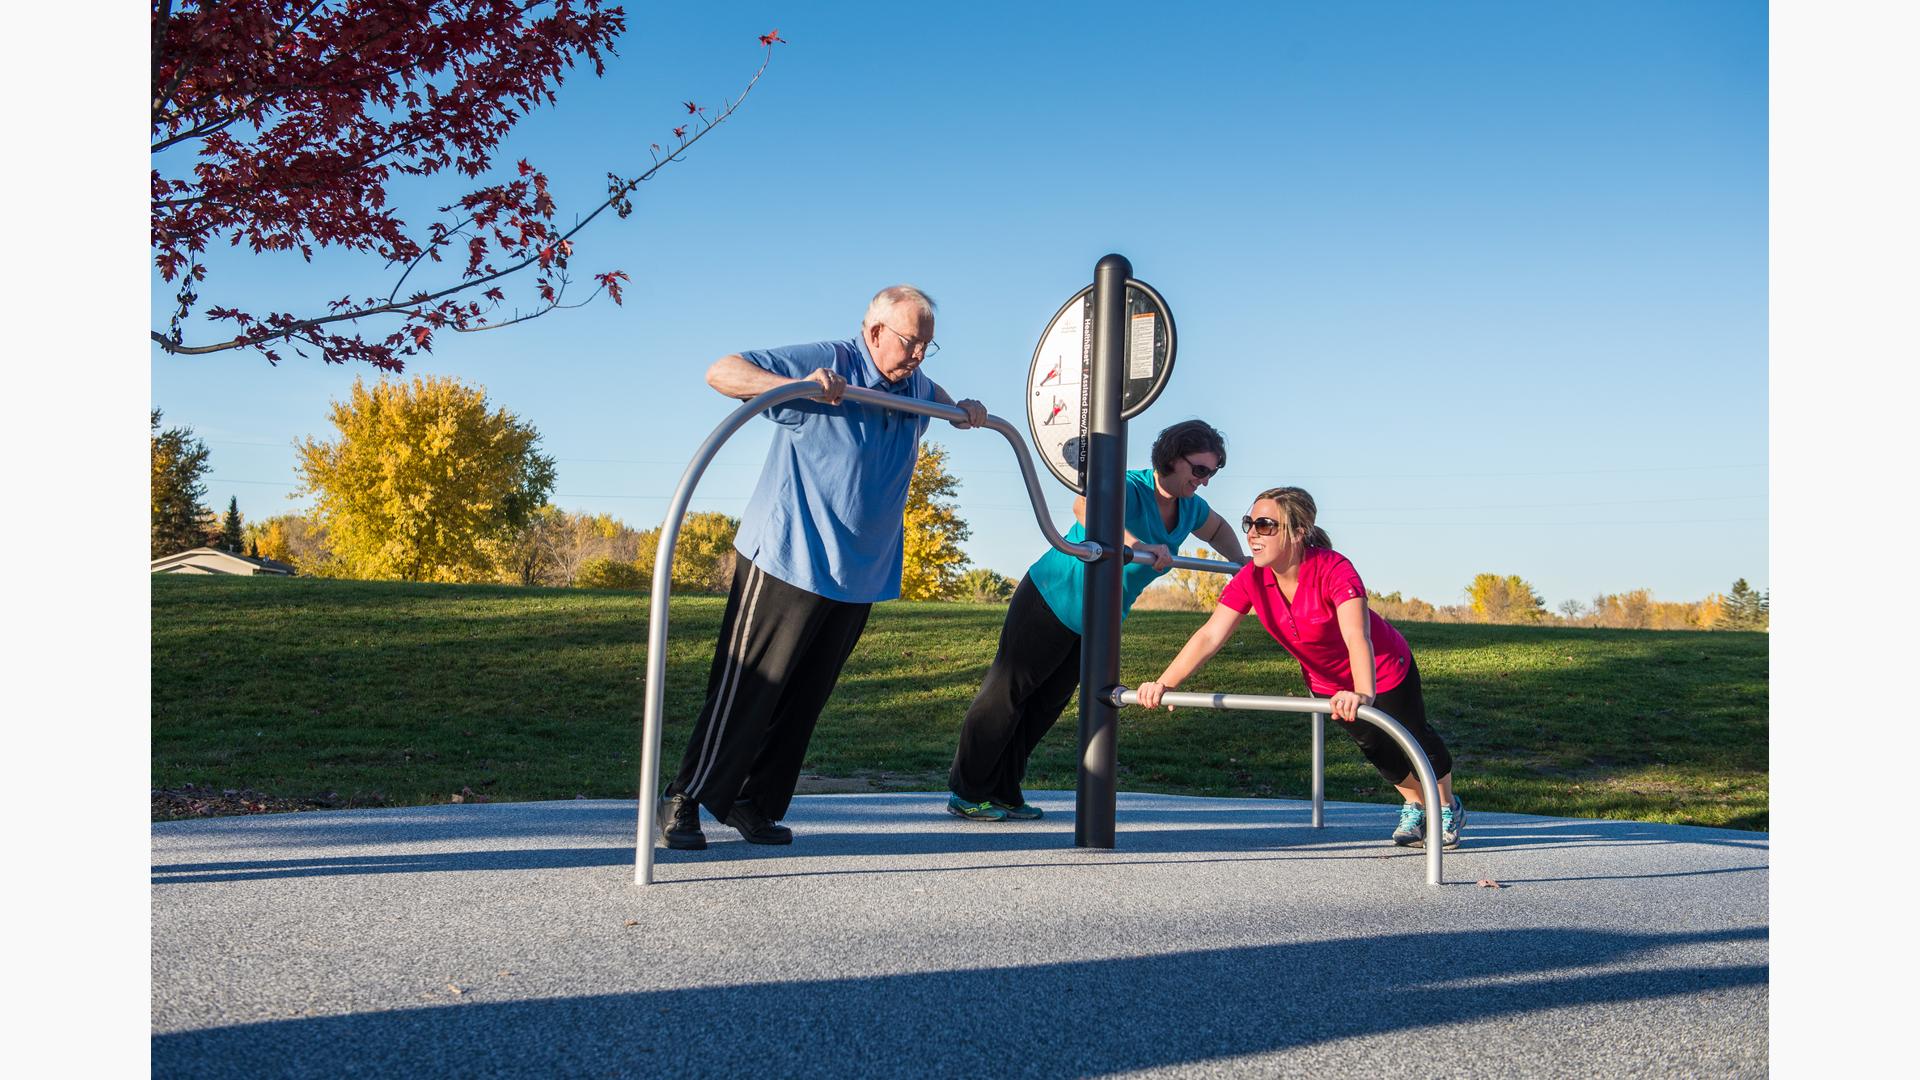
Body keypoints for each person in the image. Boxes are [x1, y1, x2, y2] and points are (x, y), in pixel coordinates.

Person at [659, 285, 988, 850]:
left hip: (860, 570)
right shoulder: (833, 361)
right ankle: (684, 797)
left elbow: (935, 393)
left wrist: (964, 411)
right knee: (748, 686)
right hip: (790, 552)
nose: (917, 356)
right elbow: (723, 371)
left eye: (927, 347)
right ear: (875, 330)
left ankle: (753, 802)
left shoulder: (913, 386)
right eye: (910, 342)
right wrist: (798, 387)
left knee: (803, 699)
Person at [946, 420, 1245, 821]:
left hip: (1098, 619)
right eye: (1200, 470)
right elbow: (1083, 506)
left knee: (1046, 706)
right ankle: (966, 790)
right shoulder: (1131, 485)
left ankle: (1002, 790)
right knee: (1009, 694)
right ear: (1173, 458)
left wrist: (1240, 563)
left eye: (1211, 472)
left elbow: (1220, 529)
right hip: (1052, 594)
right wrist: (1136, 545)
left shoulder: (1190, 508)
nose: (1204, 481)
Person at [1135, 486, 1465, 848]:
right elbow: (1210, 635)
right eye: (1249, 523)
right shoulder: (1251, 578)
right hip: (1326, 680)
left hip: (1380, 668)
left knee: (1413, 735)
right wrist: (1165, 682)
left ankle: (1446, 805)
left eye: (1264, 525)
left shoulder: (1333, 568)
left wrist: (1363, 692)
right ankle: (1416, 804)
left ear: (1297, 530)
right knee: (1374, 746)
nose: (1251, 534)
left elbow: (1357, 636)